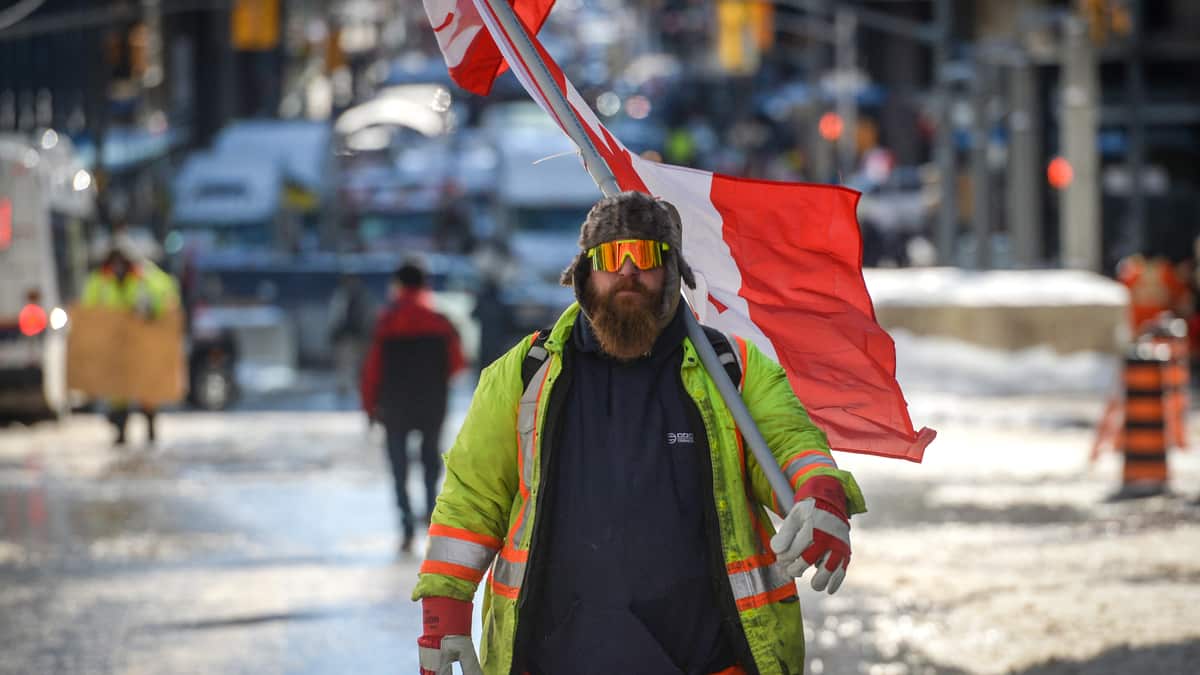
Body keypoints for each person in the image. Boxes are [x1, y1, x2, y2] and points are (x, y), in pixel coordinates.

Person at [414, 191, 866, 675]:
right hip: (553, 660)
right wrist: (444, 616)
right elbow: (470, 502)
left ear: (672, 272)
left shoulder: (729, 371)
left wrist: (820, 495)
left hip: (707, 661)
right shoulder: (525, 375)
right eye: (611, 256)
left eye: (646, 255)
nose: (627, 270)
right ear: (585, 272)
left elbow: (790, 444)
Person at [360, 260, 466, 553]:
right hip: (432, 403)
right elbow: (458, 363)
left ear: (398, 285)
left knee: (399, 466)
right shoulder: (440, 320)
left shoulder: (386, 320)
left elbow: (372, 370)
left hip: (394, 406)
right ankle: (432, 518)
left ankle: (406, 524)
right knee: (430, 462)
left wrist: (370, 407)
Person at [81, 237, 180, 446]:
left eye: (122, 262)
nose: (118, 267)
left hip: (142, 343)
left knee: (147, 388)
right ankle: (120, 431)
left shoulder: (147, 278)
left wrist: (153, 313)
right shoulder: (100, 280)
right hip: (116, 345)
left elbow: (168, 297)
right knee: (118, 391)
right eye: (114, 262)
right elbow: (88, 310)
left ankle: (150, 429)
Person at [328, 273, 373, 402]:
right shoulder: (341, 295)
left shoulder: (362, 296)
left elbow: (368, 318)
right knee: (345, 366)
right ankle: (345, 392)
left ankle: (355, 391)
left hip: (356, 336)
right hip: (346, 337)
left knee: (357, 365)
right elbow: (336, 317)